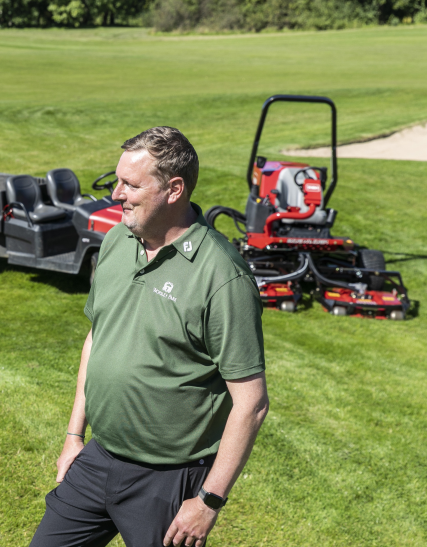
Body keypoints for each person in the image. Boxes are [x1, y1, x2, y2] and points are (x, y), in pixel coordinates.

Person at [29, 127, 269, 547]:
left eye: (131, 185)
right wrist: (73, 438)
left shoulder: (222, 276)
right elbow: (96, 338)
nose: (116, 194)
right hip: (99, 459)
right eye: (117, 180)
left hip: (170, 479)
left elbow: (251, 403)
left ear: (174, 189)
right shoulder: (117, 241)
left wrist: (209, 501)